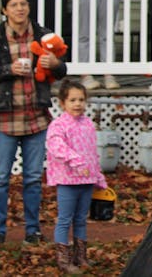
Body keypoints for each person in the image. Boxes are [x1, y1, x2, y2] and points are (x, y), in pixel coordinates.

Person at [0, 0, 68, 247]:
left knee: (32, 178)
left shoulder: (43, 35)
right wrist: (8, 68)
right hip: (4, 119)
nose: (20, 9)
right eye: (14, 5)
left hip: (36, 117)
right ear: (4, 10)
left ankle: (33, 230)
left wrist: (56, 65)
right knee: (0, 178)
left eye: (23, 4)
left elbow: (62, 69)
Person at [45, 80, 106, 273]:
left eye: (81, 99)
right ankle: (63, 260)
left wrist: (98, 175)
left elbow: (92, 153)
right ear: (62, 103)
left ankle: (81, 256)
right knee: (65, 219)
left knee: (81, 219)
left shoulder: (88, 123)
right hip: (67, 180)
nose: (78, 104)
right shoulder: (58, 125)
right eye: (72, 100)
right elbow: (56, 147)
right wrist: (76, 161)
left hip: (86, 180)